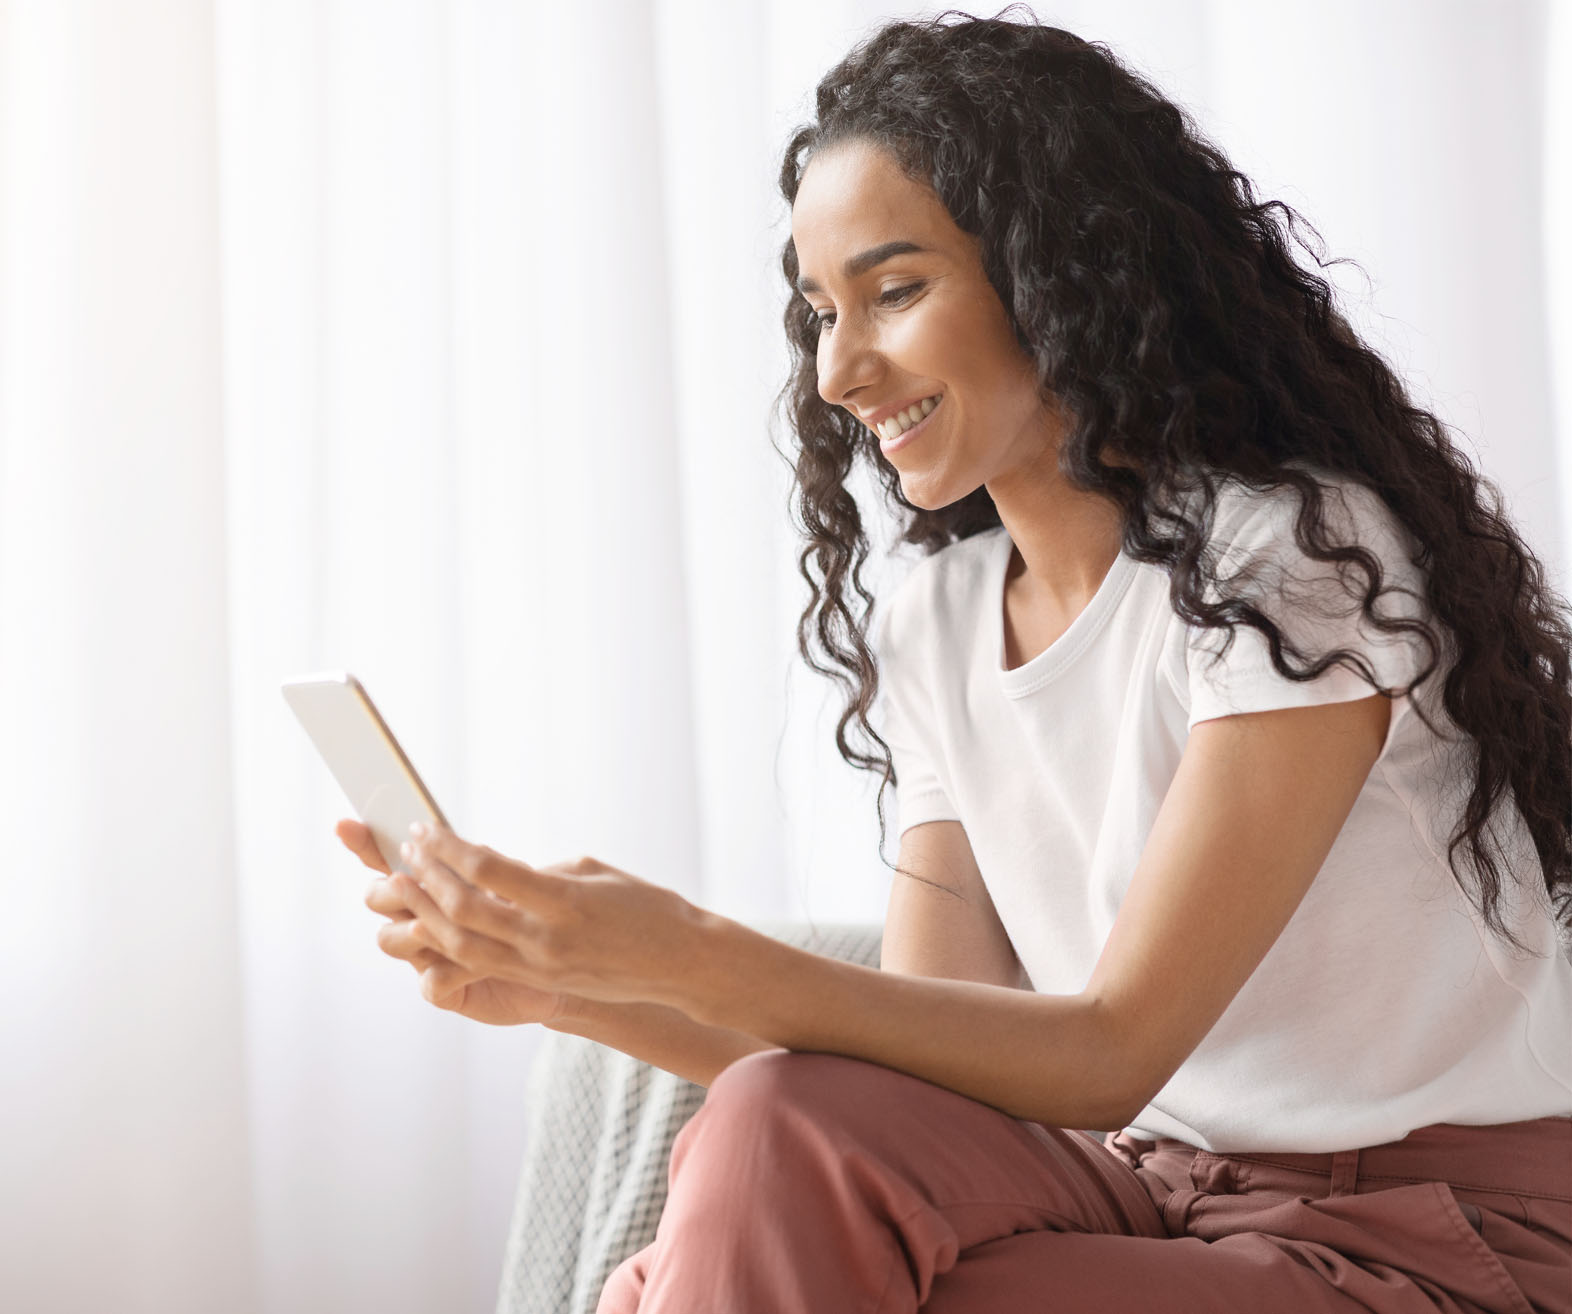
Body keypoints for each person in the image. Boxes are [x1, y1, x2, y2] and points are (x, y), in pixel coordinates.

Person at [341, 9, 1572, 1311]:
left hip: (1417, 1227)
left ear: (1061, 269)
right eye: (820, 311)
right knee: (771, 1128)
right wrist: (574, 985)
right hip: (1153, 1191)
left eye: (895, 290)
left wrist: (683, 941)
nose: (838, 368)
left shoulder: (1290, 564)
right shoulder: (939, 617)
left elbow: (1112, 1046)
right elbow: (909, 1070)